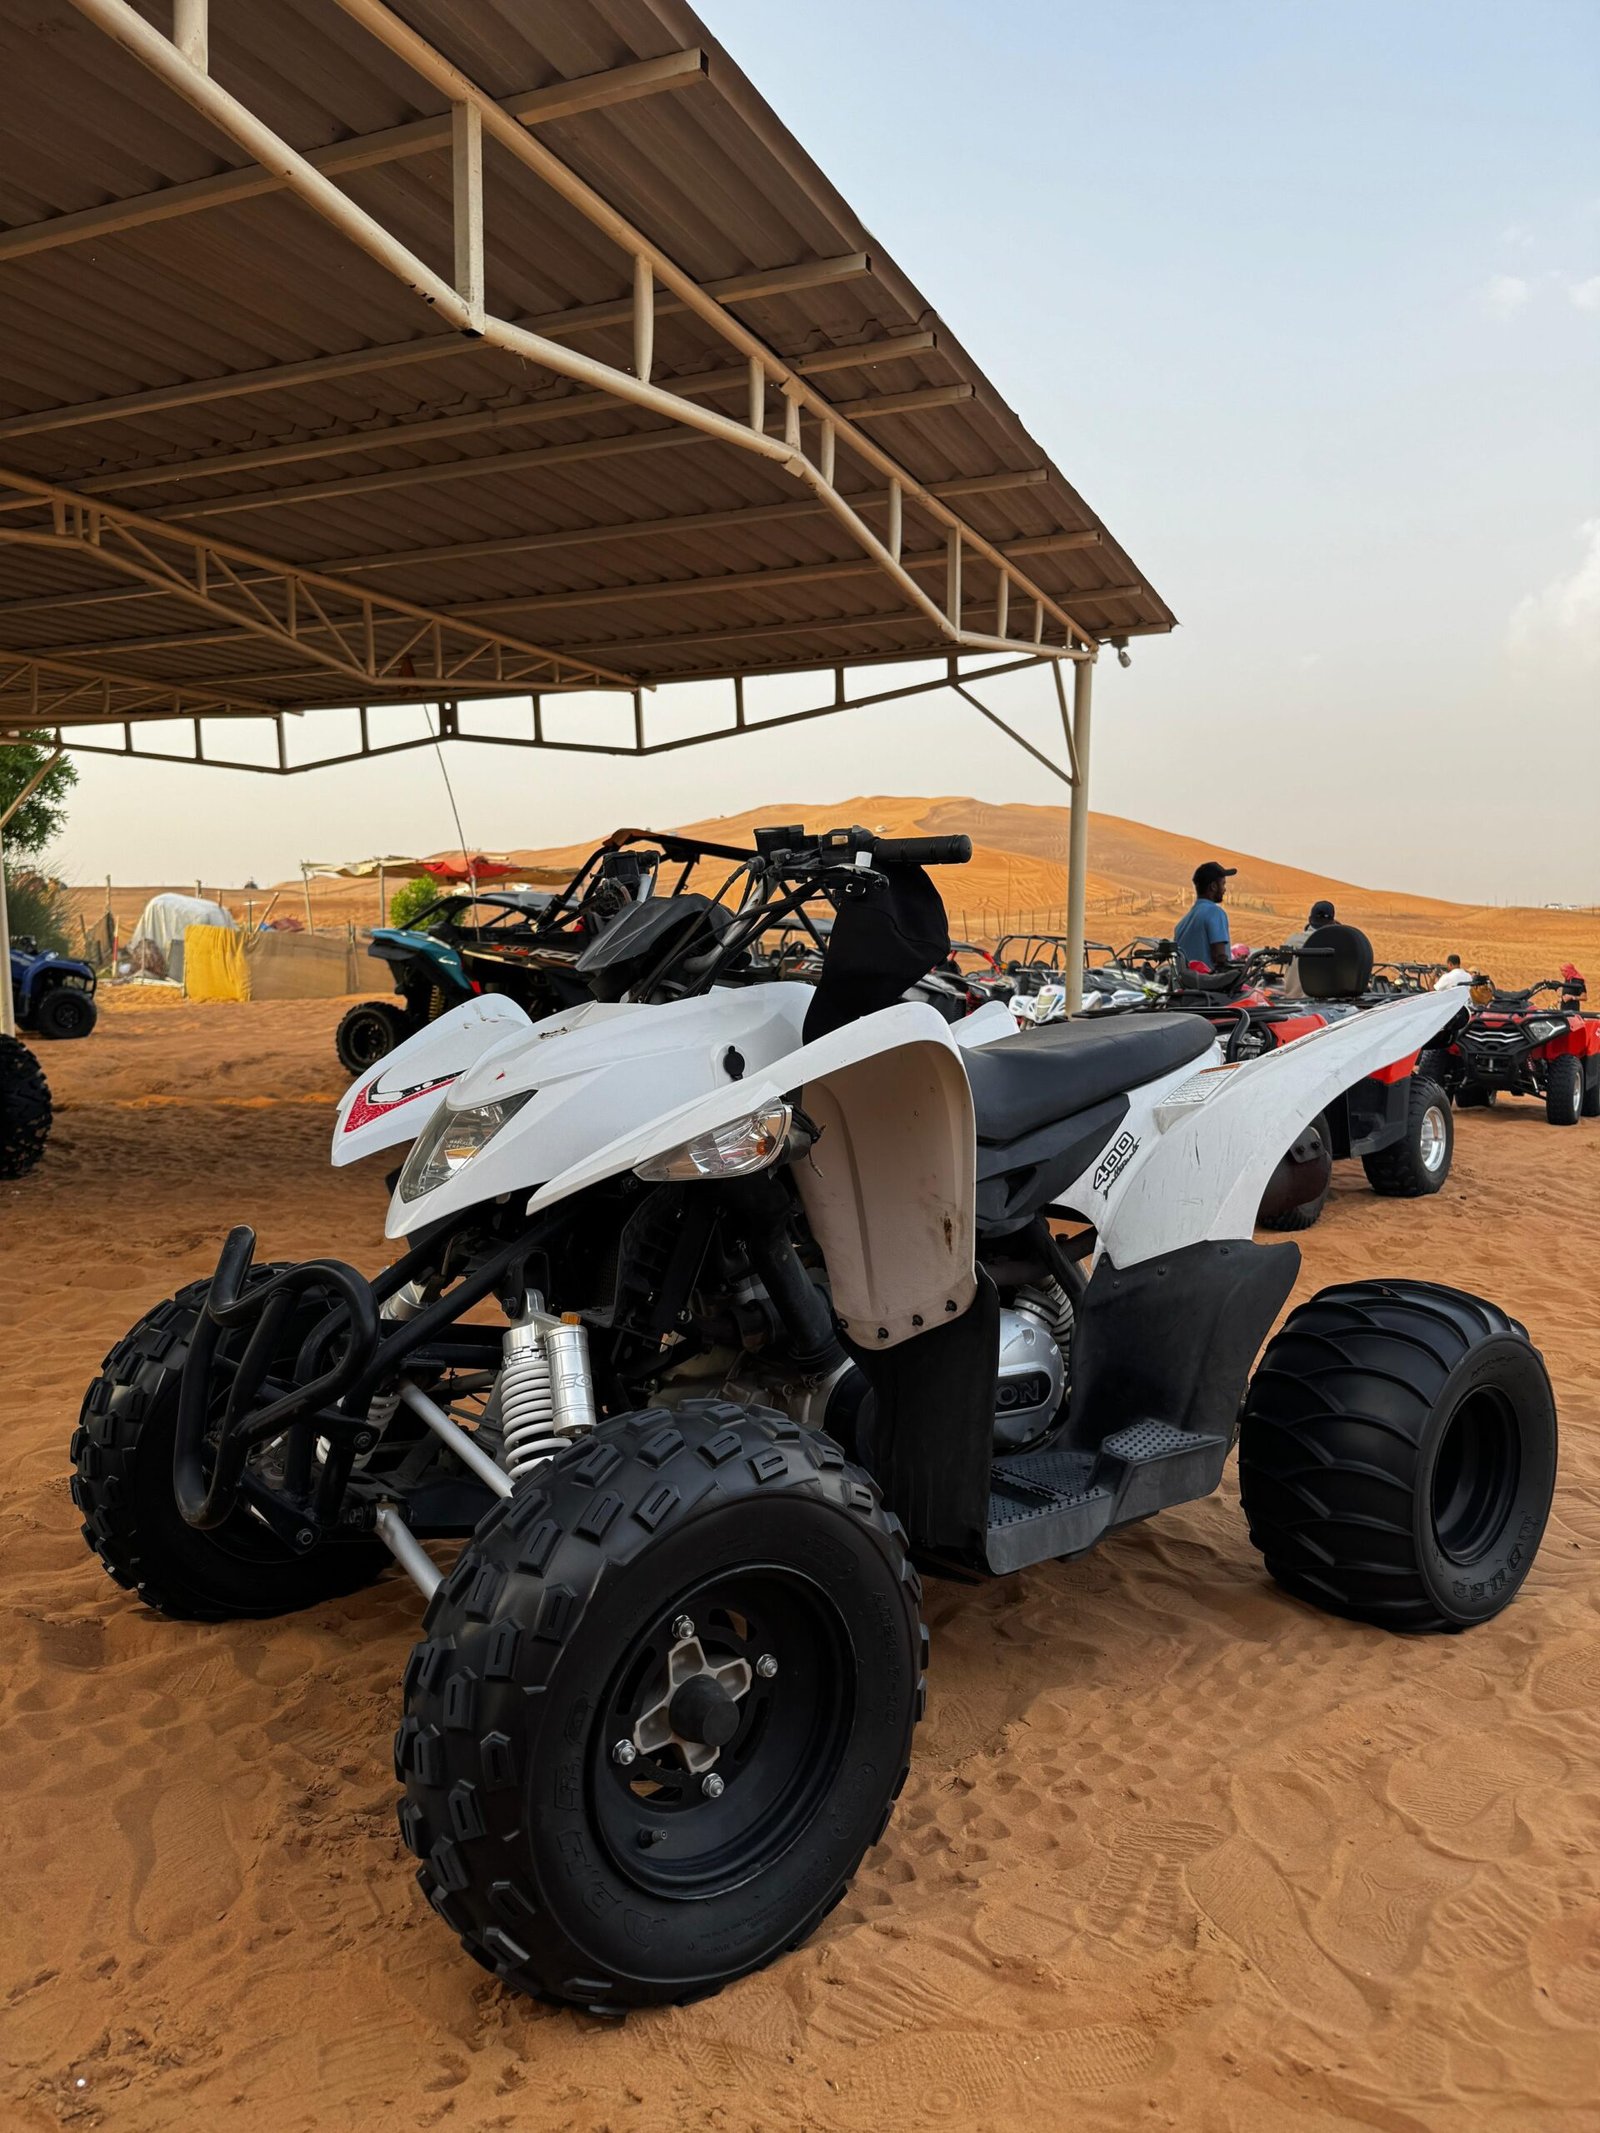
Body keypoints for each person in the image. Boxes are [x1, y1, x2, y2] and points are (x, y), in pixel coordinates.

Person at [1172, 860, 1236, 972]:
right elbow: (1219, 957)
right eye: (1223, 884)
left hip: (1187, 985)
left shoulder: (1182, 924)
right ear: (1213, 886)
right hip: (1210, 986)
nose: (1224, 889)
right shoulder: (1215, 912)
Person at [1281, 898, 1336, 997]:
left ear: (1310, 919)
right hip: (1322, 1003)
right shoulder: (1335, 943)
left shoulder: (1292, 940)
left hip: (1292, 1001)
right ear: (1332, 922)